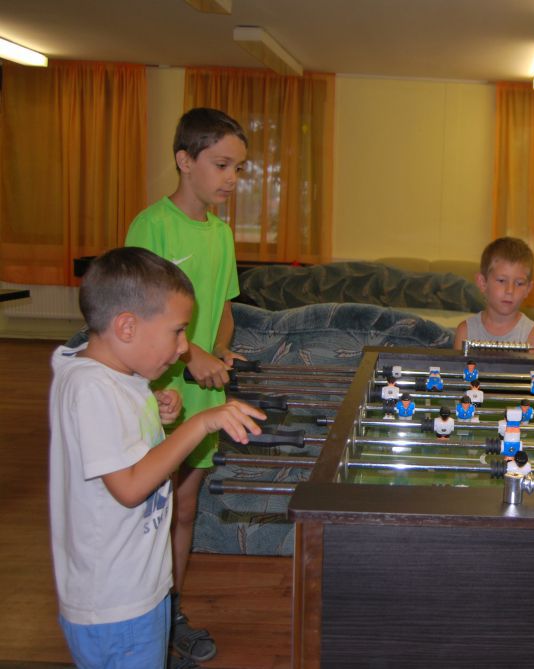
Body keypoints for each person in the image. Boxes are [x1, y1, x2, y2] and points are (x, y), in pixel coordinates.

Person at [49, 248, 264, 669]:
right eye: (178, 332)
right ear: (127, 327)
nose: (184, 347)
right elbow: (129, 487)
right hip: (116, 607)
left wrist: (152, 412)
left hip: (136, 591)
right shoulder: (92, 389)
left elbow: (120, 443)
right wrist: (197, 425)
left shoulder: (116, 377)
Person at [124, 107, 248, 664]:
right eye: (221, 164)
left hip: (203, 392)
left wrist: (218, 350)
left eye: (238, 168)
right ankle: (144, 615)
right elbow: (137, 314)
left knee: (185, 507)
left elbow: (224, 308)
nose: (231, 178)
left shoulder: (221, 233)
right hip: (157, 390)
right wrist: (190, 353)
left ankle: (172, 611)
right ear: (184, 160)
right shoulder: (151, 226)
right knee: (151, 509)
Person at [453, 237, 534, 350]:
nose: (510, 290)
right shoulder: (465, 332)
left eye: (519, 283)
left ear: (528, 289)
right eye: (501, 281)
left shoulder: (533, 335)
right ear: (482, 282)